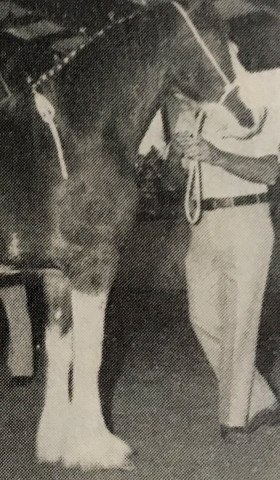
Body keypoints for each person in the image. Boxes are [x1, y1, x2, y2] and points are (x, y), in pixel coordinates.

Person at [140, 43, 280, 441]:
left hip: (247, 219)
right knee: (202, 318)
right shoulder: (194, 112)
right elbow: (176, 181)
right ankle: (262, 400)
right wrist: (174, 157)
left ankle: (234, 420)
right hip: (203, 223)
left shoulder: (263, 103)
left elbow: (272, 169)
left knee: (240, 322)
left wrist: (215, 154)